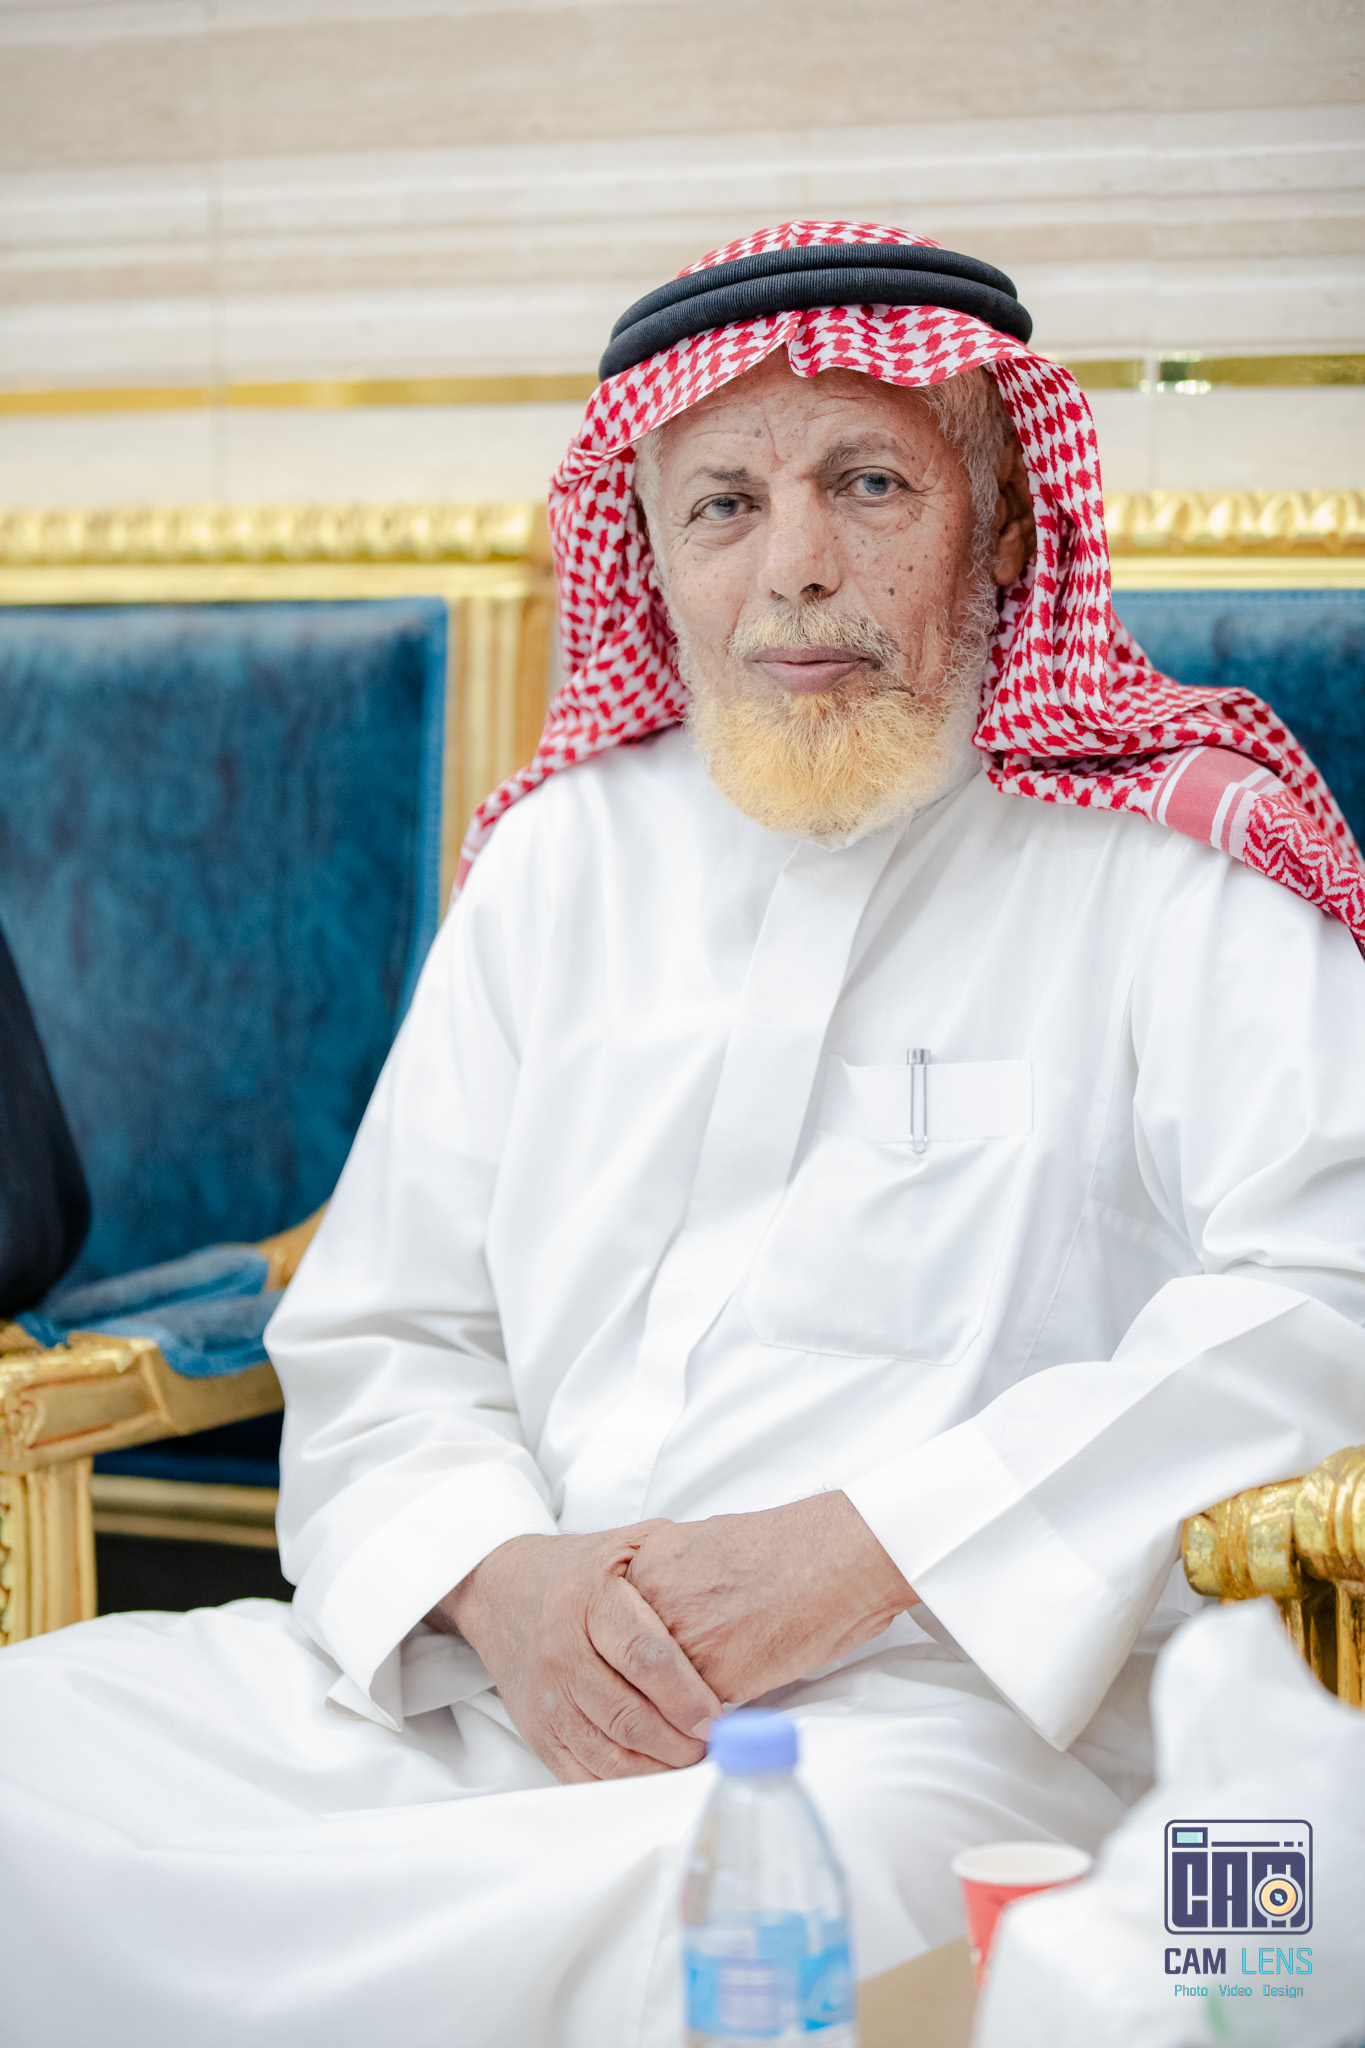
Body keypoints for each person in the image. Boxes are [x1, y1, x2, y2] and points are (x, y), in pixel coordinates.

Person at [3, 220, 1364, 2048]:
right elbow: (391, 1326)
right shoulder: (564, 856)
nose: (792, 567)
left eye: (866, 483)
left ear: (1004, 522)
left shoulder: (1171, 865)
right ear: (647, 546)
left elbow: (1327, 1296)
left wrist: (873, 1547)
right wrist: (497, 1582)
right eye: (723, 504)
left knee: (703, 1938)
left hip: (931, 1721)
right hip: (491, 1688)